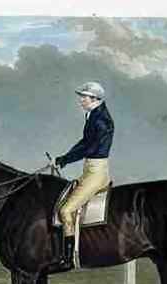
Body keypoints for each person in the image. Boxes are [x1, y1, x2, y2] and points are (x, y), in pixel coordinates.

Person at [55, 81, 115, 268]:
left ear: (95, 99)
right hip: (89, 169)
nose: (80, 100)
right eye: (81, 96)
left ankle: (68, 260)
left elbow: (89, 148)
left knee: (65, 211)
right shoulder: (94, 116)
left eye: (84, 97)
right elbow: (84, 142)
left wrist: (65, 160)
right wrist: (62, 158)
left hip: (96, 173)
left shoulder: (101, 121)